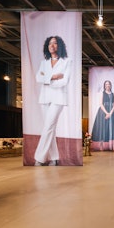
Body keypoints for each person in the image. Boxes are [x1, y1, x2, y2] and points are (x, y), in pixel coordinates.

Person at [34, 35, 71, 166]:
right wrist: (54, 77)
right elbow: (38, 78)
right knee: (50, 129)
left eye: (55, 43)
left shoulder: (67, 62)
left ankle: (39, 158)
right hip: (44, 97)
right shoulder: (43, 63)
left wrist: (47, 80)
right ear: (47, 46)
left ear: (59, 46)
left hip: (58, 98)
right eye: (50, 43)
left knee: (48, 127)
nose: (52, 45)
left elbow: (64, 81)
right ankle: (54, 158)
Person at [91, 80, 114, 150]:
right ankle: (101, 146)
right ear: (104, 86)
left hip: (111, 113)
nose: (107, 85)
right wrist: (106, 113)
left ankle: (111, 146)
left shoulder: (113, 94)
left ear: (110, 85)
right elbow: (101, 104)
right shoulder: (102, 94)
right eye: (106, 84)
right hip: (102, 112)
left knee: (110, 127)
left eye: (109, 84)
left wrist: (110, 113)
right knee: (102, 128)